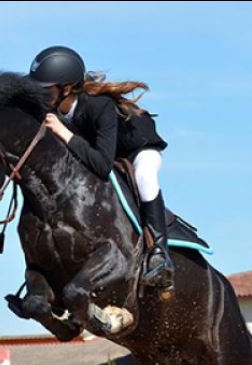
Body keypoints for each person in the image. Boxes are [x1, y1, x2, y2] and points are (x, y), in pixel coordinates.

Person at [26, 45, 176, 290]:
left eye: (44, 89)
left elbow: (102, 165)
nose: (39, 95)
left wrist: (63, 132)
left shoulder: (99, 106)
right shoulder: (54, 109)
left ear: (65, 88)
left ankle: (160, 253)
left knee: (145, 177)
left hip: (137, 148)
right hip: (102, 150)